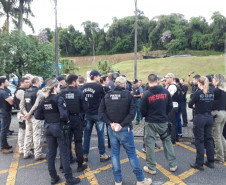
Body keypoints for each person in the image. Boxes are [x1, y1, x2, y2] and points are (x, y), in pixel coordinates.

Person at [99, 76, 152, 185]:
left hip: (112, 129)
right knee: (132, 155)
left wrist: (110, 123)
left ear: (115, 84)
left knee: (114, 154)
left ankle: (118, 181)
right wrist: (121, 124)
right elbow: (132, 113)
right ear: (124, 85)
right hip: (124, 129)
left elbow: (101, 113)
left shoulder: (107, 95)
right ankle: (141, 180)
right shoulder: (128, 95)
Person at [34, 78, 80, 185]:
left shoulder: (43, 99)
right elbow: (63, 115)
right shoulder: (58, 99)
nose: (59, 88)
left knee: (51, 154)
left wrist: (47, 118)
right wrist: (66, 120)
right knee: (64, 153)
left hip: (48, 128)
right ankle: (69, 179)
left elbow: (37, 115)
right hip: (59, 128)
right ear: (55, 87)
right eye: (59, 86)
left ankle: (54, 178)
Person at [140, 74, 177, 175]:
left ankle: (151, 168)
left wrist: (147, 115)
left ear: (148, 81)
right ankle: (173, 165)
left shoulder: (146, 94)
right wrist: (164, 114)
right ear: (157, 80)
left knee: (150, 144)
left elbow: (142, 110)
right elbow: (170, 107)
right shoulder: (165, 91)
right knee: (167, 141)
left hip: (150, 122)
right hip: (163, 121)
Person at [60, 74, 88, 172]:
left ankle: (64, 166)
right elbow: (85, 108)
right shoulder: (80, 93)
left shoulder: (61, 93)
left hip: (65, 120)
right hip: (77, 119)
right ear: (73, 82)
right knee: (78, 142)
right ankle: (80, 165)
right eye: (76, 81)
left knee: (65, 142)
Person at [83, 70, 111, 162]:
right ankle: (102, 154)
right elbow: (105, 99)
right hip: (98, 114)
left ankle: (85, 155)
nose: (99, 78)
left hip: (87, 114)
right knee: (100, 134)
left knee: (87, 134)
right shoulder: (99, 87)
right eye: (99, 76)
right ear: (95, 77)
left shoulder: (83, 86)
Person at [188, 76, 215, 170]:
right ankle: (211, 161)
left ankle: (199, 164)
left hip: (200, 117)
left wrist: (195, 105)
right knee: (209, 139)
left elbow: (190, 104)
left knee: (199, 140)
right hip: (209, 117)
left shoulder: (197, 93)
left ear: (199, 83)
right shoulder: (211, 92)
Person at [20, 77, 46, 160]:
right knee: (37, 135)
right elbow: (36, 105)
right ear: (37, 82)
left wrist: (26, 114)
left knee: (28, 134)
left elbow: (21, 105)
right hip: (36, 116)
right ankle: (38, 154)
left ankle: (26, 152)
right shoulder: (39, 92)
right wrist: (30, 113)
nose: (41, 83)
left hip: (28, 116)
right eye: (40, 81)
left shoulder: (26, 92)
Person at [212, 74, 226, 164]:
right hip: (223, 113)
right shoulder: (224, 91)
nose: (212, 81)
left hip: (216, 113)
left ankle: (219, 157)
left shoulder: (216, 91)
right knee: (220, 135)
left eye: (213, 79)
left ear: (217, 80)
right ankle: (224, 154)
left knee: (216, 136)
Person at [14, 77, 30, 154]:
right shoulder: (20, 91)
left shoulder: (23, 90)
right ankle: (22, 148)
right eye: (26, 82)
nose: (28, 83)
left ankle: (25, 147)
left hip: (24, 113)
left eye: (29, 82)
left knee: (26, 131)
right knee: (22, 131)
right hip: (22, 114)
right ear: (21, 83)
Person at [0, 77, 14, 154]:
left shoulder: (4, 91)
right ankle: (3, 147)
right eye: (7, 81)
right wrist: (12, 98)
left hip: (4, 111)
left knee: (5, 129)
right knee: (4, 130)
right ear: (2, 83)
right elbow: (11, 102)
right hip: (4, 112)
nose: (8, 83)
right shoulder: (2, 92)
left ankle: (5, 144)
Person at [165, 73, 179, 144]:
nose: (166, 79)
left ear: (171, 78)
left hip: (172, 107)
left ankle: (172, 138)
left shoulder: (172, 86)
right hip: (175, 106)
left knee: (171, 123)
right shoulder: (172, 86)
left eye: (167, 78)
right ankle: (174, 137)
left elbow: (169, 96)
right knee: (173, 122)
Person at [100, 75, 111, 148]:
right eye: (107, 80)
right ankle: (110, 143)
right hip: (106, 109)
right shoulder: (107, 89)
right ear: (103, 81)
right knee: (108, 127)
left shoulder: (98, 88)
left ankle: (101, 145)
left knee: (100, 130)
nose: (108, 81)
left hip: (99, 109)